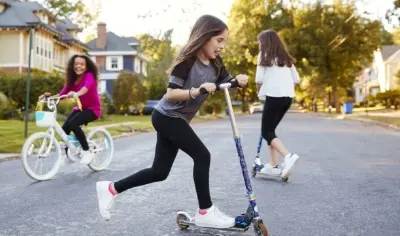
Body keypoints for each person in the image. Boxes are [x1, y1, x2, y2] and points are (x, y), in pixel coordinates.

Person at [95, 14, 248, 229]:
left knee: (159, 172)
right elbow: (171, 94)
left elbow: (226, 82)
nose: (222, 47)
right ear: (205, 37)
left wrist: (238, 81)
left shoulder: (216, 65)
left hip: (175, 119)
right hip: (167, 116)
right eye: (219, 40)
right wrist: (197, 90)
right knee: (202, 156)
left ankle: (110, 189)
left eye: (224, 42)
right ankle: (205, 211)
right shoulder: (187, 61)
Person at [255, 29, 300, 179]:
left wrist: (259, 91)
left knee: (266, 131)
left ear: (265, 42)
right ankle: (273, 164)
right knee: (270, 131)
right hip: (287, 98)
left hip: (274, 97)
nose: (260, 45)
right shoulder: (286, 58)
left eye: (261, 42)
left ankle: (288, 156)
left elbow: (258, 79)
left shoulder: (263, 56)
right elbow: (297, 79)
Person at [58, 54, 101, 165]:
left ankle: (87, 152)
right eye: (76, 64)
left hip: (93, 109)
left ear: (86, 67)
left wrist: (76, 93)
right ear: (72, 66)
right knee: (64, 129)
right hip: (80, 108)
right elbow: (63, 92)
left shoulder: (89, 76)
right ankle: (69, 155)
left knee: (74, 123)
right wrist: (52, 98)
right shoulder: (72, 80)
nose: (79, 66)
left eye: (82, 64)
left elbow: (85, 88)